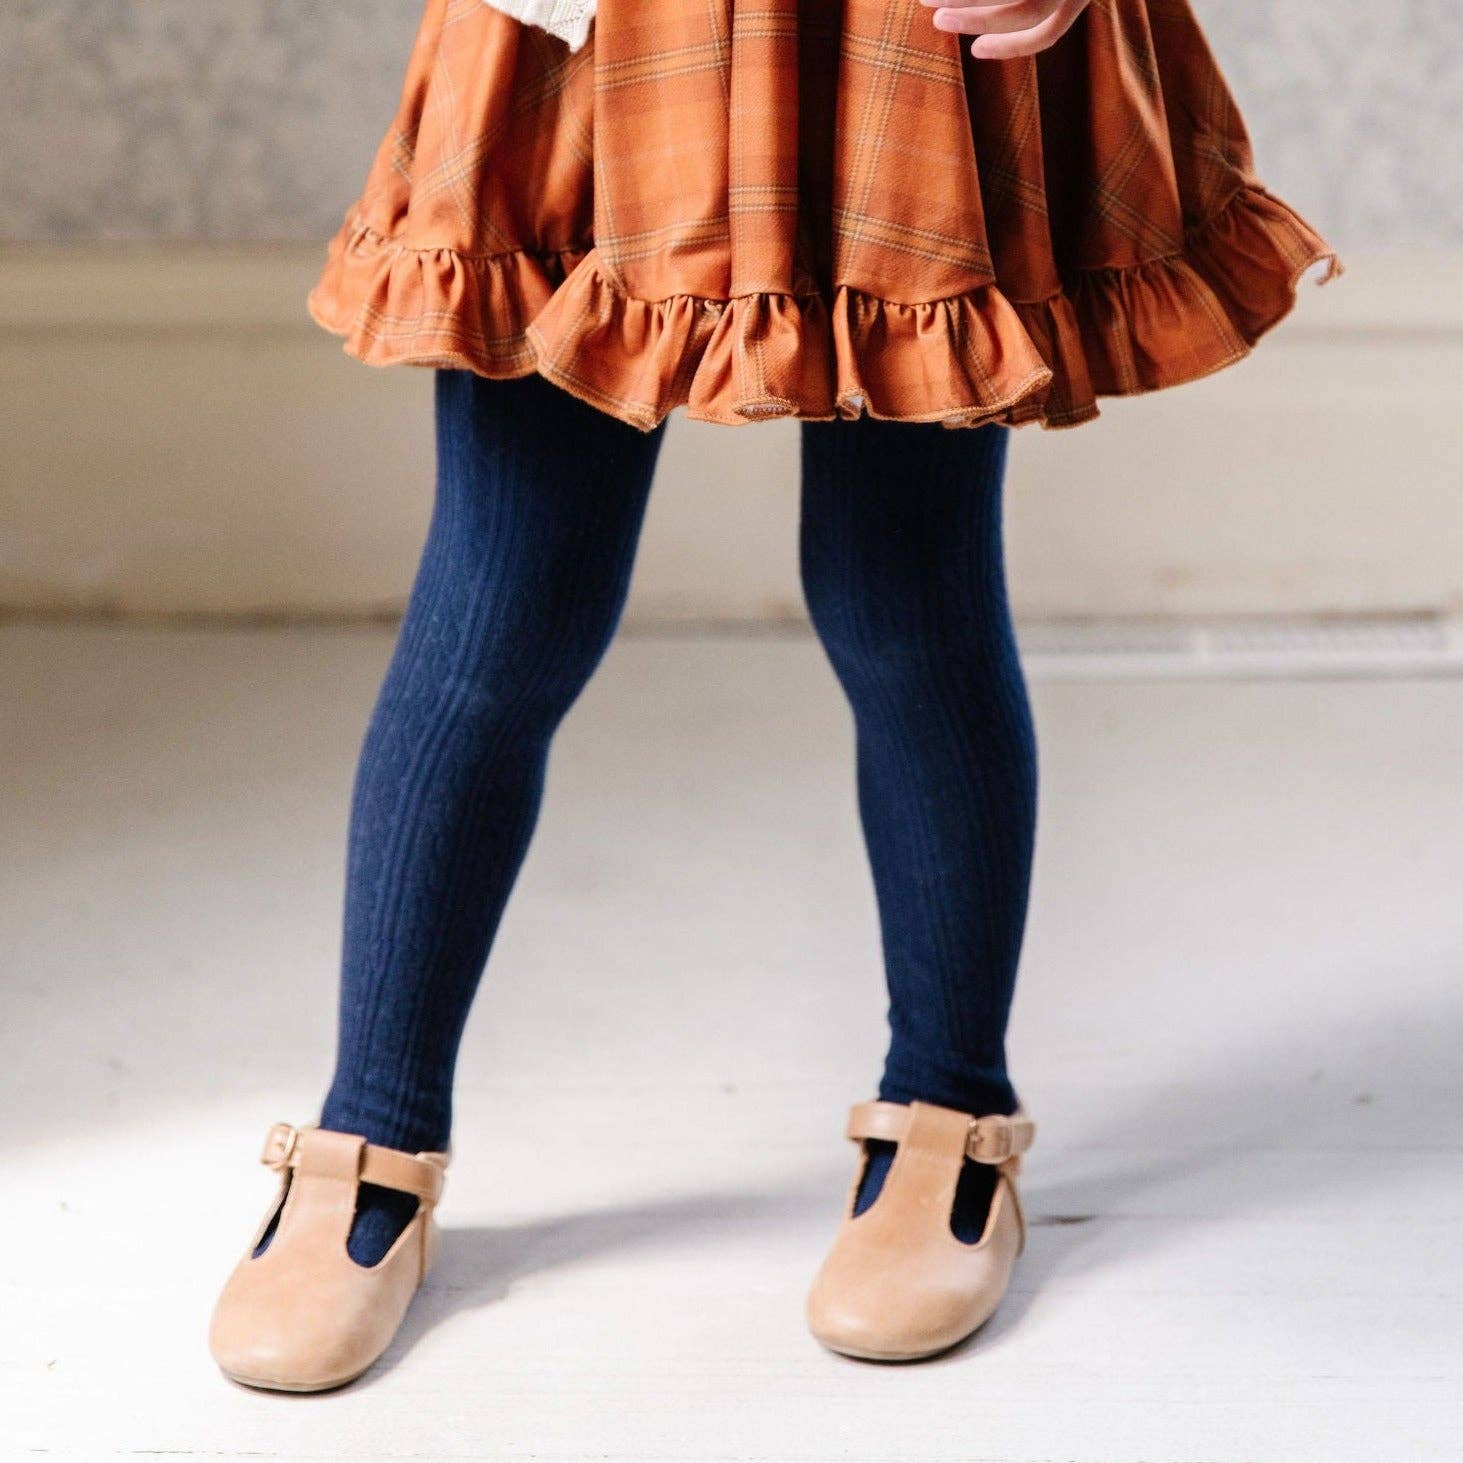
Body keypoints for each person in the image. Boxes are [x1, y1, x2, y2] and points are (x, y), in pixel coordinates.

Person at [208, 0, 1336, 1389]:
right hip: (591, 35)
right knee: (506, 604)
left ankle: (951, 1114)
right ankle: (365, 1141)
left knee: (900, 593)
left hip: (895, 33)